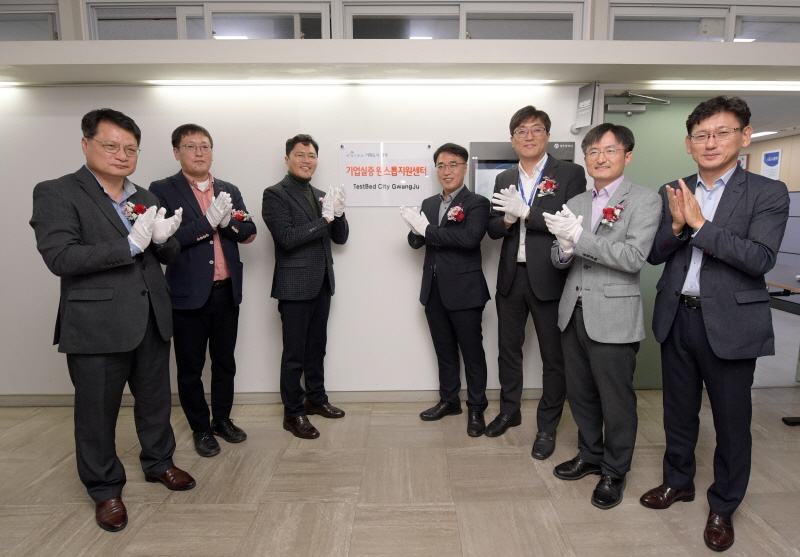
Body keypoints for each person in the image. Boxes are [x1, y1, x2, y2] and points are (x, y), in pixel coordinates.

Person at [29, 108, 195, 533]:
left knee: (156, 401)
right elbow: (61, 257)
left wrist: (165, 240)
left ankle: (159, 462)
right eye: (111, 145)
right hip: (96, 323)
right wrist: (129, 244)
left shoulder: (148, 197)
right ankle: (104, 488)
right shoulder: (57, 192)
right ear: (86, 144)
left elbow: (165, 254)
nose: (122, 155)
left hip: (151, 317)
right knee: (97, 413)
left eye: (131, 149)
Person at [640, 96, 789, 552]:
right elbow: (655, 254)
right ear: (688, 144)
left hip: (731, 322)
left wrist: (700, 225)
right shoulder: (673, 189)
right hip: (677, 316)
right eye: (701, 135)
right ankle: (678, 481)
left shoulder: (767, 193)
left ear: (744, 137)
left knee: (731, 422)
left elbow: (759, 258)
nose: (710, 142)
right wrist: (677, 228)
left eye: (722, 133)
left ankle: (723, 504)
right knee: (678, 413)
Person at [544, 123, 660, 509]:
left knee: (616, 400)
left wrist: (579, 239)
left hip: (614, 314)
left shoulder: (644, 200)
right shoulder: (577, 201)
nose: (600, 158)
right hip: (573, 312)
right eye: (593, 151)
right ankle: (590, 455)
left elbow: (633, 258)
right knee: (580, 394)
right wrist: (563, 248)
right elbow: (560, 259)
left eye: (609, 150)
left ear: (627, 155)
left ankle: (615, 470)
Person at [150, 124, 257, 458]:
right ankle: (200, 428)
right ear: (176, 152)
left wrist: (228, 223)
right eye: (191, 146)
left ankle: (222, 419)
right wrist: (208, 222)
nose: (199, 152)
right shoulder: (162, 189)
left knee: (225, 363)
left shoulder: (228, 189)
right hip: (187, 295)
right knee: (190, 369)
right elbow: (164, 241)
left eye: (205, 146)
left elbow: (249, 231)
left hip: (227, 291)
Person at [487, 105, 587, 456]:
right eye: (521, 131)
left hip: (551, 277)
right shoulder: (504, 178)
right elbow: (493, 229)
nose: (528, 136)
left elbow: (570, 224)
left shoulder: (570, 173)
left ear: (547, 136)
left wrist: (527, 212)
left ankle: (547, 427)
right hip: (511, 277)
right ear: (512, 139)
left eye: (536, 129)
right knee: (508, 350)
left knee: (553, 357)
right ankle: (509, 412)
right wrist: (507, 221)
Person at [400, 143, 491, 436]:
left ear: (464, 167)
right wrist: (415, 230)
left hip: (465, 290)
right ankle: (449, 401)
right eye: (441, 165)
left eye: (453, 164)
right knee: (445, 351)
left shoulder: (477, 203)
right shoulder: (428, 204)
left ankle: (476, 408)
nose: (446, 170)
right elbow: (416, 242)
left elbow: (469, 239)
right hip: (433, 288)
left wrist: (427, 230)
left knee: (472, 353)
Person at [261, 134, 349, 439]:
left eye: (311, 156)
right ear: (287, 159)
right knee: (294, 354)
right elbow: (286, 238)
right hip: (294, 285)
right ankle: (293, 412)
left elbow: (340, 238)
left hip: (322, 282)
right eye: (300, 155)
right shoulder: (275, 194)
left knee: (316, 348)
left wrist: (339, 214)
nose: (306, 160)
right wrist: (324, 220)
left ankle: (316, 398)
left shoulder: (322, 194)